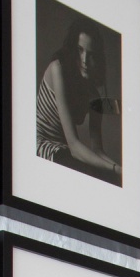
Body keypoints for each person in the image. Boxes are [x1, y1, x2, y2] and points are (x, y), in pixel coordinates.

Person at [35, 16, 120, 182]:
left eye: (91, 54)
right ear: (73, 49)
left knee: (109, 177)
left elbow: (98, 150)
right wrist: (115, 169)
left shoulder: (93, 95)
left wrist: (119, 170)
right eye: (80, 50)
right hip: (42, 145)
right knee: (91, 174)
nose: (85, 61)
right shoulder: (57, 69)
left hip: (64, 149)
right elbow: (74, 145)